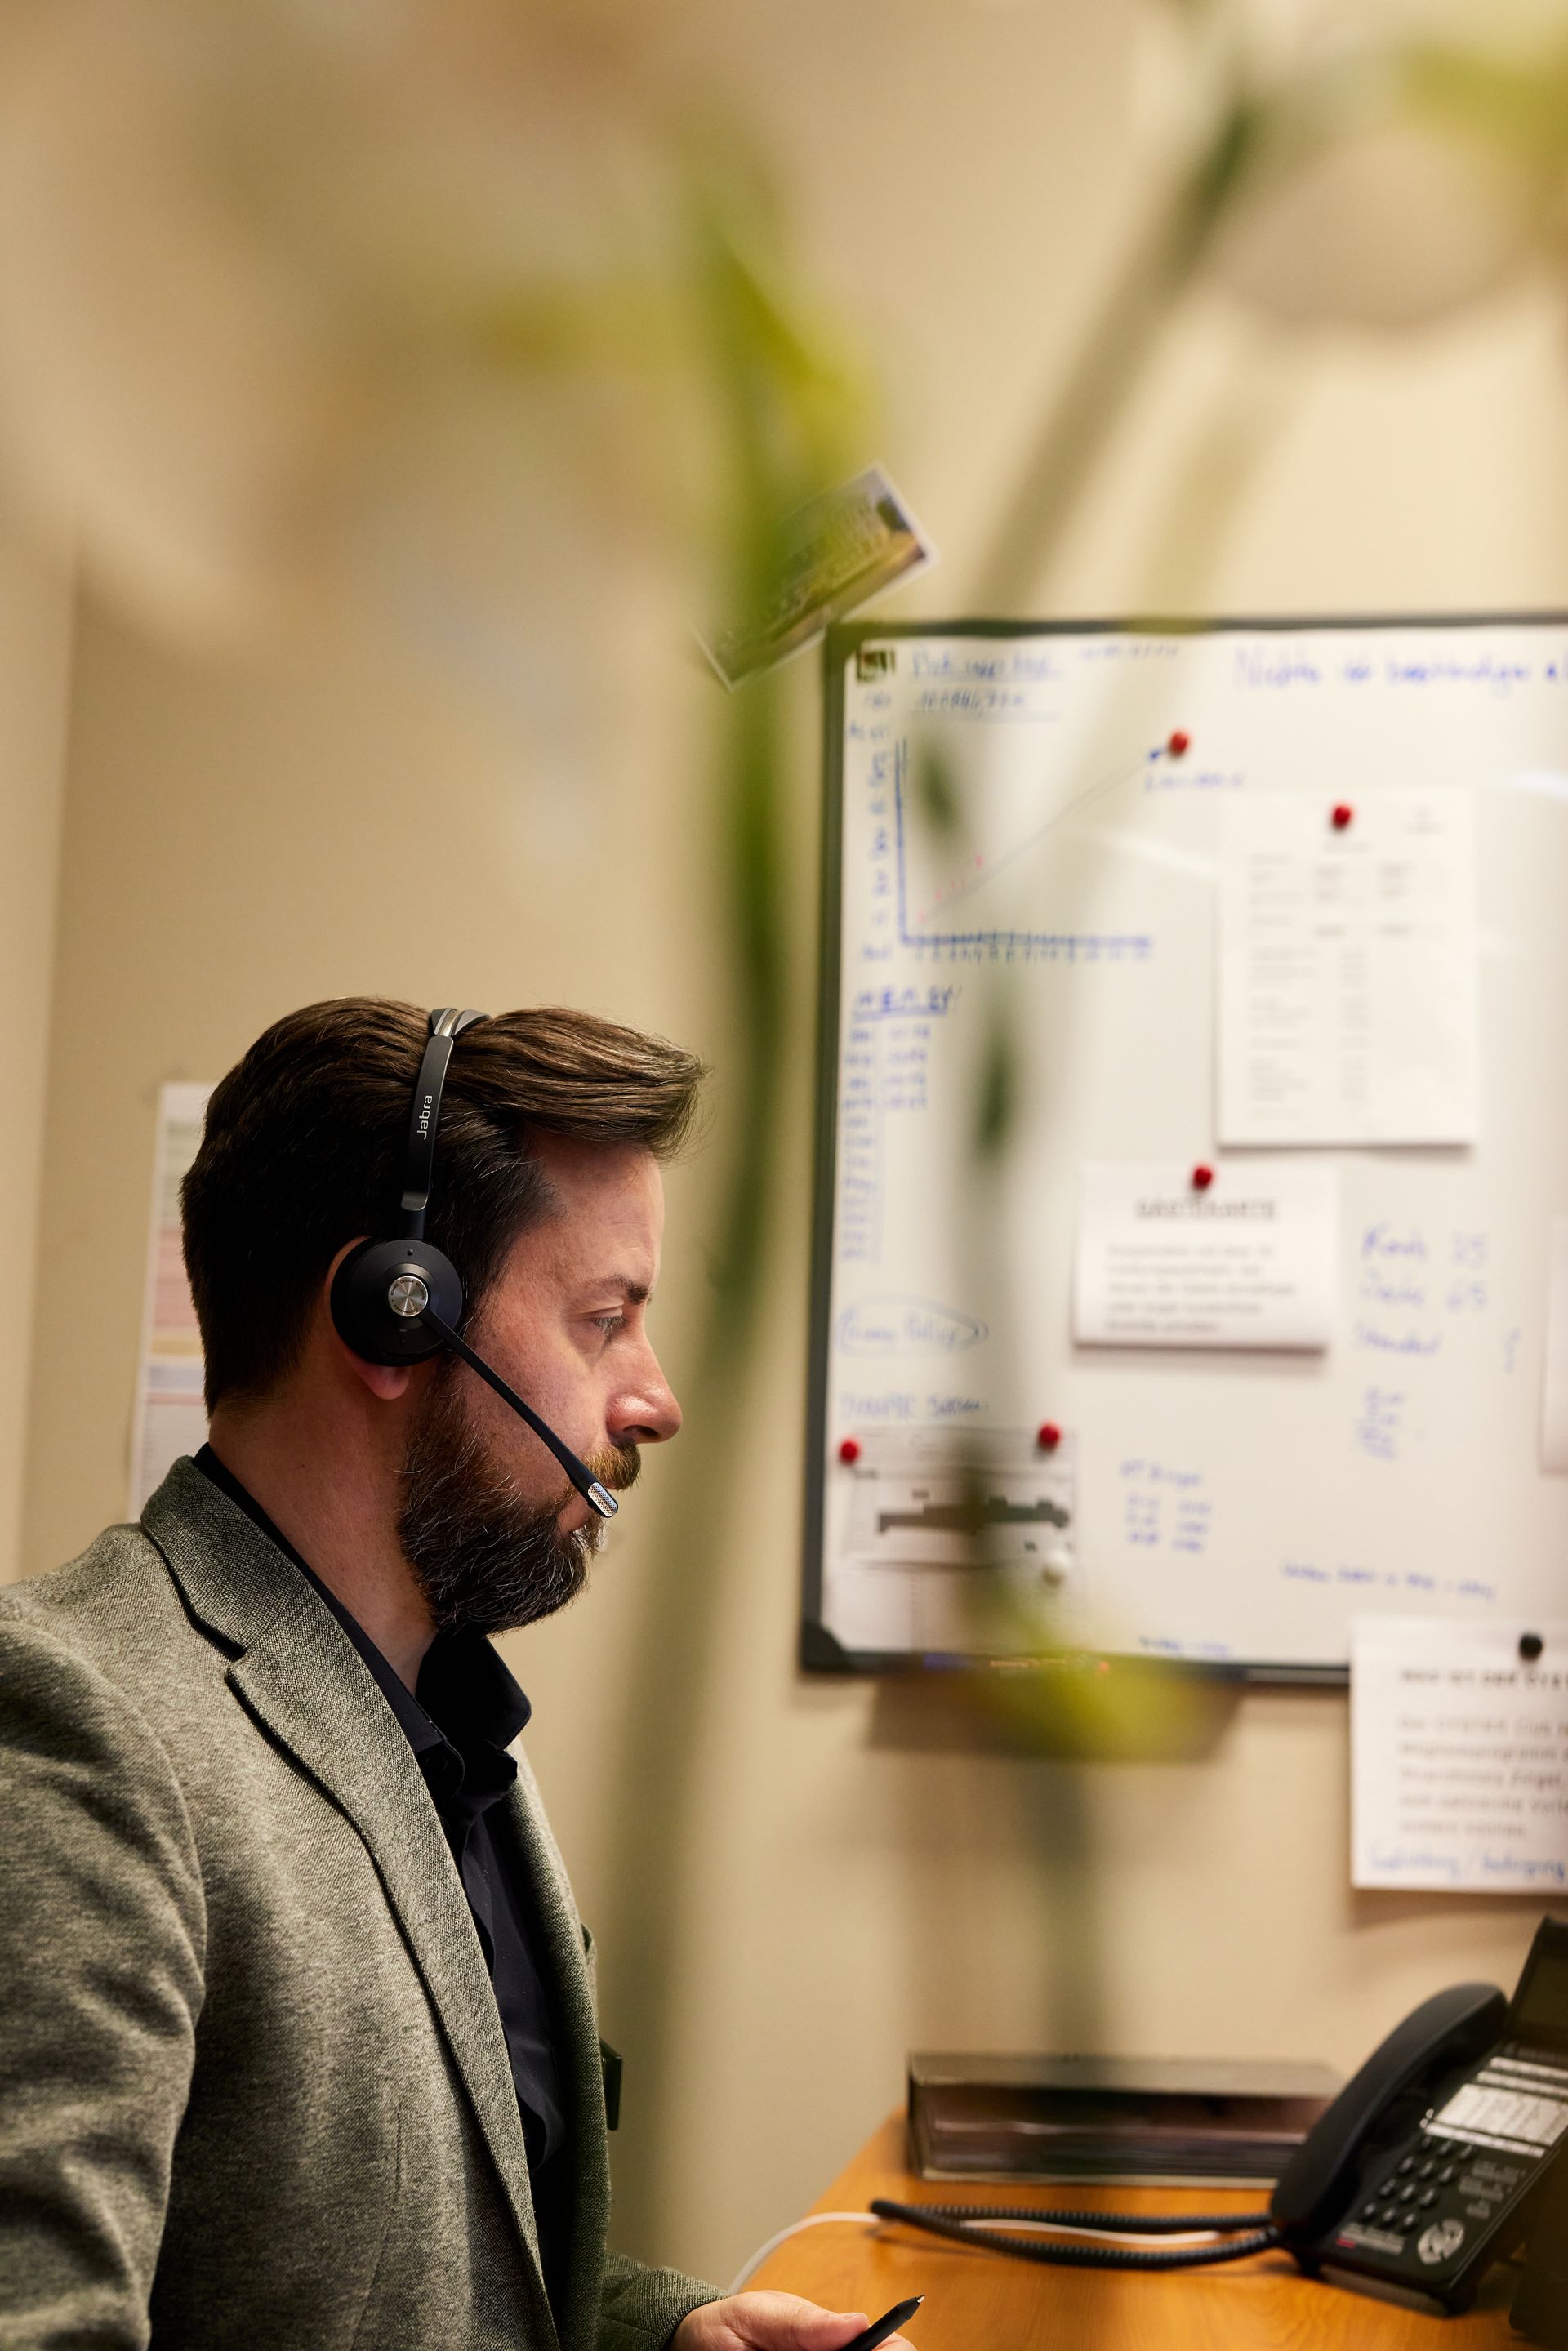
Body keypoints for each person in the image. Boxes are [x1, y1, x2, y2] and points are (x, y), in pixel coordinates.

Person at [0, 998, 896, 2351]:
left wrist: (663, 2336)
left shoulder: (456, 1736)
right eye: (605, 1319)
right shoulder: (80, 1730)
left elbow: (451, 2269)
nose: (653, 1399)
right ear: (392, 1318)